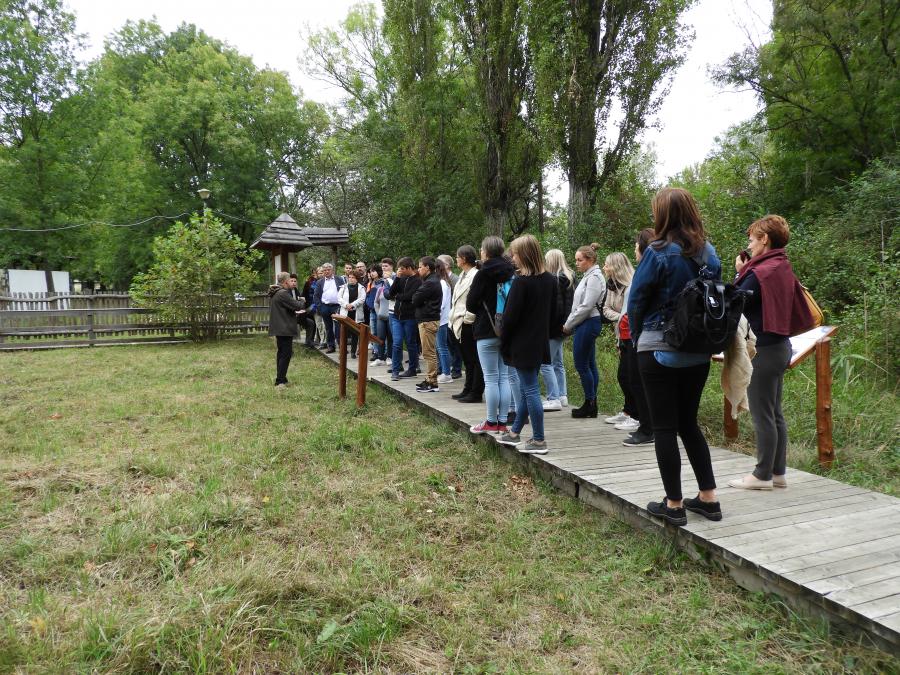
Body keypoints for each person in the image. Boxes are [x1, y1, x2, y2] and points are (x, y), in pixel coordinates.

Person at [628, 186, 722, 526]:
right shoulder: (708, 252)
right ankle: (709, 498)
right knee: (688, 423)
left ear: (663, 215)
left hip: (658, 347)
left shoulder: (657, 252)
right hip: (697, 350)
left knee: (664, 427)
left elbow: (637, 299)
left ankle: (674, 504)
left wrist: (637, 337)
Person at [729, 214, 813, 490]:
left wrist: (740, 272)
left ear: (765, 239)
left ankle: (762, 475)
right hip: (780, 347)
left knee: (763, 414)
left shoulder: (760, 272)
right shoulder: (782, 266)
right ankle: (778, 473)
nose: (749, 245)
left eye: (752, 240)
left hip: (763, 349)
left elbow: (733, 302)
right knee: (774, 412)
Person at [496, 235, 557, 454]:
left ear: (524, 255)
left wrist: (503, 340)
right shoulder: (550, 280)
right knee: (525, 389)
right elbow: (554, 313)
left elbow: (510, 318)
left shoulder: (521, 282)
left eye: (515, 254)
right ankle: (514, 433)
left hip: (522, 343)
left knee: (530, 390)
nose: (513, 258)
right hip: (539, 342)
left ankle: (539, 440)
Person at [466, 236, 514, 435]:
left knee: (491, 378)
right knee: (504, 377)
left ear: (486, 251)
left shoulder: (482, 273)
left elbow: (470, 304)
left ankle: (491, 421)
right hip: (507, 330)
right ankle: (503, 422)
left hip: (487, 329)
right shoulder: (511, 270)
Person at [618, 229, 656, 447]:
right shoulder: (644, 270)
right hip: (636, 334)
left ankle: (648, 428)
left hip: (642, 334)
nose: (634, 250)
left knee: (638, 381)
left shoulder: (647, 271)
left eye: (636, 246)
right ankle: (646, 425)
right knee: (634, 379)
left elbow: (638, 303)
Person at [563, 243, 607, 418]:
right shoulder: (589, 276)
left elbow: (587, 306)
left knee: (582, 364)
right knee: (589, 363)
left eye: (579, 260)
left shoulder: (594, 277)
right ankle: (591, 403)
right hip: (585, 322)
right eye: (576, 260)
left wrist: (569, 324)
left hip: (589, 322)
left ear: (590, 260)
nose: (577, 263)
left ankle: (590, 403)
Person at [600, 252, 637, 429]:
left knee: (631, 376)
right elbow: (605, 309)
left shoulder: (632, 285)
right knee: (623, 375)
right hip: (621, 333)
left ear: (616, 267)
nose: (604, 268)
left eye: (606, 265)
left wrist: (623, 316)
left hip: (632, 335)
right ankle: (628, 411)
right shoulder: (611, 285)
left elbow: (631, 313)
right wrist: (621, 316)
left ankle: (637, 415)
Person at [541, 249, 574, 411]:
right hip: (565, 326)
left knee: (545, 363)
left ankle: (553, 397)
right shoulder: (570, 278)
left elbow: (556, 308)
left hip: (554, 328)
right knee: (558, 363)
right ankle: (562, 395)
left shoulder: (555, 280)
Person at [450, 245, 483, 403]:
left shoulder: (475, 275)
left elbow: (475, 299)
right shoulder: (463, 275)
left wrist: (468, 319)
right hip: (458, 322)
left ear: (463, 259)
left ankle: (476, 392)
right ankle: (467, 388)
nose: (456, 259)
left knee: (474, 359)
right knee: (467, 359)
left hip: (468, 322)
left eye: (457, 257)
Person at [268, 272, 306, 388]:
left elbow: (285, 308)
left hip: (280, 327)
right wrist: (302, 300)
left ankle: (282, 378)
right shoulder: (283, 293)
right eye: (290, 280)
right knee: (285, 354)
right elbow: (298, 305)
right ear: (285, 282)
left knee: (282, 353)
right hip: (284, 328)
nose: (291, 282)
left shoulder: (276, 292)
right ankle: (280, 381)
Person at [412, 256, 443, 392]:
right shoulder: (430, 281)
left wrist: (418, 297)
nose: (418, 270)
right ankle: (429, 379)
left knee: (429, 353)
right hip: (427, 320)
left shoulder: (430, 282)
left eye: (420, 267)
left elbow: (415, 299)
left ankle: (432, 382)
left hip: (428, 321)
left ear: (427, 267)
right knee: (428, 352)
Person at [388, 257, 422, 381]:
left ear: (409, 268)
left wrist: (398, 296)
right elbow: (391, 293)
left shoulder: (418, 281)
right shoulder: (400, 278)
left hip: (410, 317)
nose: (400, 271)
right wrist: (397, 278)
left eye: (402, 269)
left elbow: (410, 297)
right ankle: (395, 370)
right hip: (396, 316)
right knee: (397, 343)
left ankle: (413, 368)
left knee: (410, 343)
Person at [438, 253, 463, 378]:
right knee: (445, 343)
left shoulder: (455, 279)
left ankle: (457, 368)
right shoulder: (440, 279)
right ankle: (445, 366)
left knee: (454, 344)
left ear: (447, 265)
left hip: (453, 316)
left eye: (439, 263)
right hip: (444, 317)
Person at [314, 263, 344, 353]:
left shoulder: (339, 279)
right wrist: (320, 307)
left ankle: (341, 347)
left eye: (328, 270)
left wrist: (342, 305)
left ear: (332, 270)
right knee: (328, 328)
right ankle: (331, 346)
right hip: (325, 307)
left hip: (337, 306)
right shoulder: (320, 282)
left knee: (339, 327)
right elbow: (316, 296)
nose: (326, 271)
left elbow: (344, 292)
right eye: (325, 270)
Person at [337, 270, 366, 358]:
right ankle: (342, 352)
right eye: (349, 277)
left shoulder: (361, 288)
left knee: (355, 334)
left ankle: (353, 352)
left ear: (357, 279)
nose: (351, 279)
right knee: (343, 334)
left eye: (353, 277)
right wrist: (346, 305)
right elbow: (339, 298)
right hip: (345, 313)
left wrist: (352, 305)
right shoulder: (343, 287)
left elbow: (362, 299)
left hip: (356, 313)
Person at [435, 259, 454, 384]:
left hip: (441, 320)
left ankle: (447, 373)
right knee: (440, 347)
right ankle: (444, 370)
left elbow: (441, 304)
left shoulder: (442, 283)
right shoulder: (443, 282)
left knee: (442, 347)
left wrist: (435, 315)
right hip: (441, 319)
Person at [366, 265, 389, 365]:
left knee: (384, 334)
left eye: (374, 271)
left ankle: (385, 352)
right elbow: (368, 296)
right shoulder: (370, 283)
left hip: (381, 312)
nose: (372, 273)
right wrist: (368, 303)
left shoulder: (384, 282)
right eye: (371, 271)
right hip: (372, 311)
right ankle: (376, 352)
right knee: (374, 332)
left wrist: (379, 311)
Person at [301, 269, 319, 347]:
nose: (315, 274)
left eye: (316, 273)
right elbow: (304, 293)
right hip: (309, 305)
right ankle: (309, 340)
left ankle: (317, 340)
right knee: (311, 323)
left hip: (317, 305)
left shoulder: (321, 281)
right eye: (313, 273)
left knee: (317, 323)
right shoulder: (308, 282)